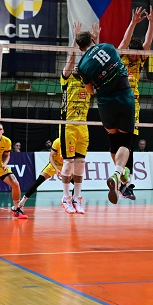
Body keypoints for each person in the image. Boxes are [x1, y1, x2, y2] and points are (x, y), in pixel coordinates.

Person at [75, 23, 135, 205]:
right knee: (125, 141)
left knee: (113, 140)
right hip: (124, 96)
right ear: (93, 39)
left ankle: (123, 179)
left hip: (105, 103)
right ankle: (118, 174)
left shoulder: (82, 66)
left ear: (80, 48)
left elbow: (90, 91)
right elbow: (105, 55)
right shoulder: (108, 47)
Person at [115, 5, 153, 199]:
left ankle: (126, 181)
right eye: (132, 51)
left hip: (134, 103)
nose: (134, 54)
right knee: (117, 142)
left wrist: (152, 23)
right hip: (117, 100)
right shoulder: (122, 55)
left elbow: (147, 44)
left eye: (136, 52)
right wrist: (133, 23)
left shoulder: (139, 60)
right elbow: (124, 42)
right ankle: (121, 178)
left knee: (129, 142)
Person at [57, 21, 94, 214]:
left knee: (80, 164)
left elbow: (95, 62)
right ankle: (65, 198)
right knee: (68, 163)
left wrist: (95, 40)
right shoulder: (67, 77)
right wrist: (75, 36)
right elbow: (71, 57)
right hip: (68, 125)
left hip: (83, 126)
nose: (77, 67)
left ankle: (77, 198)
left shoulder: (87, 82)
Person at [17, 138, 83, 212]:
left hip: (66, 165)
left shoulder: (74, 143)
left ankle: (73, 202)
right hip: (54, 165)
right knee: (39, 181)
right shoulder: (57, 142)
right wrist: (56, 169)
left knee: (77, 183)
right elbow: (51, 157)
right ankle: (22, 201)